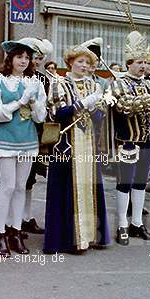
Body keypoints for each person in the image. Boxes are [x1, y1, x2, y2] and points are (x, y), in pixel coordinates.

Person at [42, 39, 110, 254]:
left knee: (90, 188)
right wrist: (82, 104)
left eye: (87, 63)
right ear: (70, 62)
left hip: (88, 145)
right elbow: (56, 114)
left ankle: (90, 237)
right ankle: (66, 240)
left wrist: (100, 107)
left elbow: (99, 118)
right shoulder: (59, 83)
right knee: (65, 190)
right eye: (80, 61)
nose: (84, 66)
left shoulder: (94, 85)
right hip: (65, 146)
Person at [0, 39, 47, 256]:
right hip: (5, 139)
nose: (23, 61)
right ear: (10, 59)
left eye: (26, 58)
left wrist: (32, 102)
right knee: (8, 186)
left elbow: (41, 117)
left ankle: (16, 232)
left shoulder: (36, 83)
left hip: (28, 140)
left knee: (22, 186)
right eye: (19, 57)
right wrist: (20, 101)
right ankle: (0, 233)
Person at [109, 30, 150, 245]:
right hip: (128, 141)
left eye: (146, 62)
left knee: (140, 183)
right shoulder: (119, 83)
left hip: (148, 140)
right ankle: (122, 224)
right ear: (128, 63)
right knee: (125, 183)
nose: (143, 66)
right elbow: (124, 107)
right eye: (139, 62)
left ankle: (137, 223)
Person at [18, 37, 53, 236]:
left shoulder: (43, 79)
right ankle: (9, 221)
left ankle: (25, 217)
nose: (36, 62)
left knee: (29, 179)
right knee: (11, 181)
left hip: (35, 133)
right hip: (13, 133)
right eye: (33, 57)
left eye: (39, 58)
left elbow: (45, 108)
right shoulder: (7, 76)